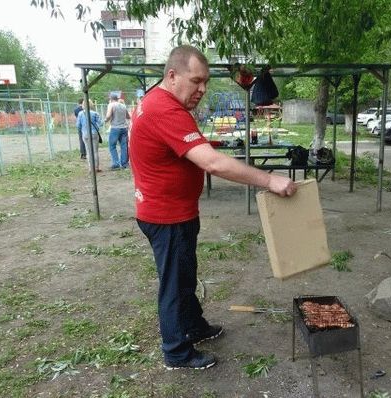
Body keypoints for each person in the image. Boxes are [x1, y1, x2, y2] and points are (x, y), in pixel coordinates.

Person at [129, 45, 297, 370]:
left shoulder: (157, 102)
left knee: (184, 275)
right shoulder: (165, 109)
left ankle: (193, 326)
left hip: (172, 211)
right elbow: (212, 163)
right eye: (196, 81)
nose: (202, 89)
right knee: (175, 286)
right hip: (167, 217)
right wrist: (269, 180)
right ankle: (177, 352)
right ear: (173, 75)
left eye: (205, 82)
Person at [104, 93, 131, 169]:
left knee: (112, 146)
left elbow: (108, 116)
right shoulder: (123, 105)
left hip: (115, 128)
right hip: (124, 128)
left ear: (111, 99)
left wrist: (105, 120)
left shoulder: (111, 105)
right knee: (124, 146)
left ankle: (116, 164)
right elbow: (128, 116)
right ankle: (124, 163)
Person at [76, 99, 103, 172]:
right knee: (95, 151)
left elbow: (78, 125)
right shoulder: (95, 113)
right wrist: (96, 127)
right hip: (94, 133)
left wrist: (83, 128)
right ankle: (96, 167)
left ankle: (91, 168)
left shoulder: (80, 114)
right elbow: (101, 123)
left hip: (85, 134)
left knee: (88, 151)